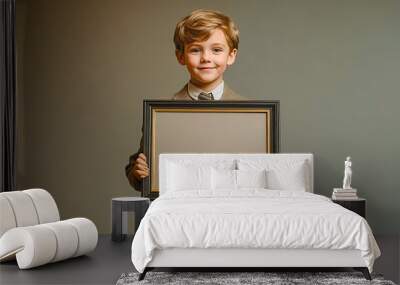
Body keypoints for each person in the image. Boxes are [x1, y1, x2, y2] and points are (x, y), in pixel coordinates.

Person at [125, 9, 246, 192]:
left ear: (231, 55)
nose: (206, 58)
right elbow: (138, 169)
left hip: (230, 209)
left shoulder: (249, 113)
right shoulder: (160, 113)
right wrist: (138, 172)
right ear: (181, 56)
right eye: (196, 50)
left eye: (216, 50)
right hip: (178, 211)